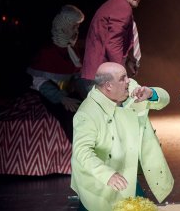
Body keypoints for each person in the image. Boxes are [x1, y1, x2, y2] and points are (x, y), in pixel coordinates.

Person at [71, 62, 173, 211]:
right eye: (122, 78)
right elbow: (82, 152)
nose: (128, 81)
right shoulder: (87, 113)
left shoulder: (131, 89)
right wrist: (107, 175)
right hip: (99, 181)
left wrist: (151, 93)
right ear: (108, 86)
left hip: (127, 174)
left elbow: (165, 99)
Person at [80, 0, 150, 94]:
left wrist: (128, 60)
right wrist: (121, 74)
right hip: (102, 75)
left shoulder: (116, 3)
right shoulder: (122, 7)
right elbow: (113, 44)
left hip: (97, 72)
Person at [26, 4, 85, 142]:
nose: (77, 30)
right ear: (64, 27)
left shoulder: (72, 52)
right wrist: (61, 98)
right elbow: (38, 82)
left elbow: (76, 78)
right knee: (70, 117)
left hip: (68, 93)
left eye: (78, 26)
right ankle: (79, 152)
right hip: (50, 95)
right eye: (74, 26)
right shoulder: (47, 52)